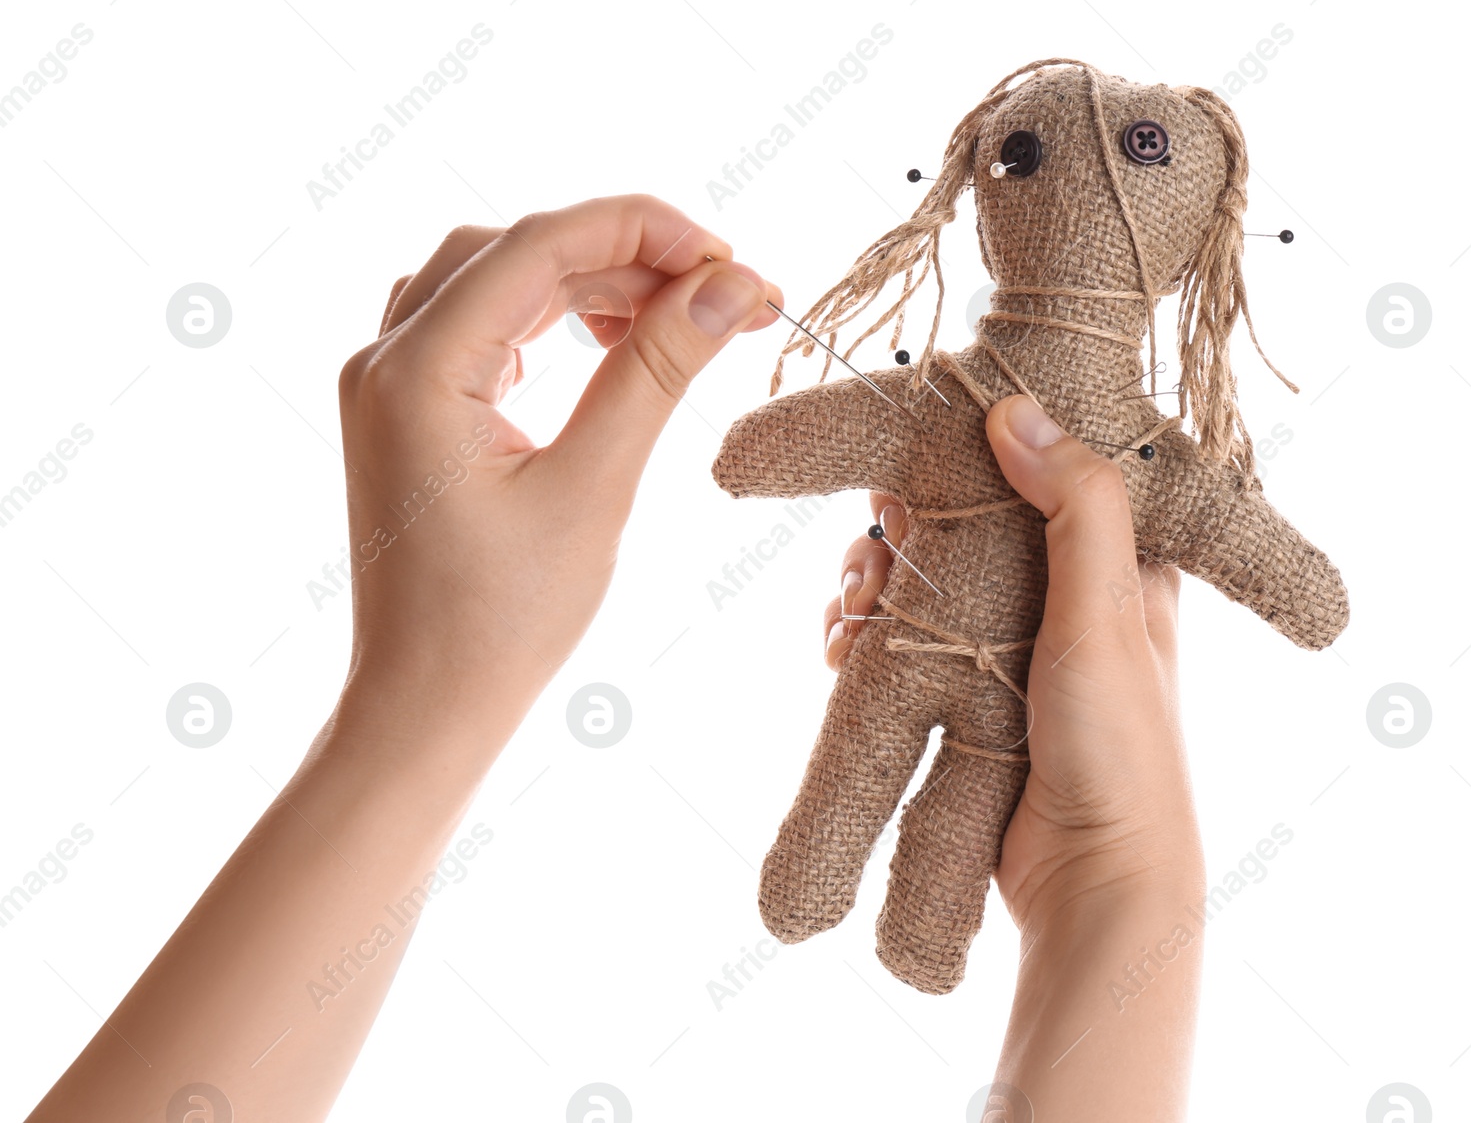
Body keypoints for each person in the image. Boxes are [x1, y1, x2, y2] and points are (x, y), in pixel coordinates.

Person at [26, 195, 1202, 1122]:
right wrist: (1120, 884)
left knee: (886, 774)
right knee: (859, 763)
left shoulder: (1081, 437)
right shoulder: (1008, 418)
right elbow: (768, 449)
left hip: (956, 679)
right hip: (927, 667)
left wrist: (425, 705)